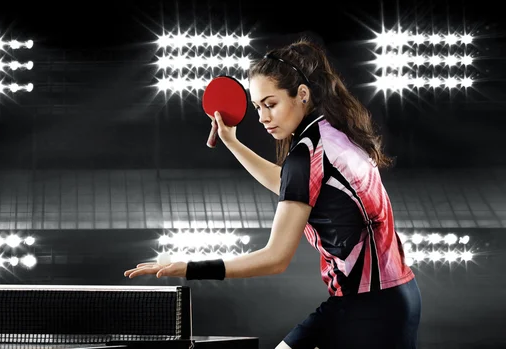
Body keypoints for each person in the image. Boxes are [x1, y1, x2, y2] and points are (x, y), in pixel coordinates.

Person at [124, 38, 422, 349]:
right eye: (257, 107)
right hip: (390, 298)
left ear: (302, 95)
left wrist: (187, 268)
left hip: (369, 309)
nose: (263, 117)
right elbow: (293, 183)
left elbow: (275, 259)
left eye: (271, 104)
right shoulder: (331, 133)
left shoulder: (305, 157)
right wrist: (233, 143)